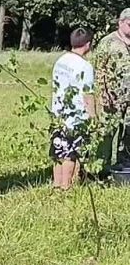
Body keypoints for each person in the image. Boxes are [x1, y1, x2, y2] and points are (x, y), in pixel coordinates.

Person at [51, 28, 97, 190]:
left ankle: (57, 184)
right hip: (76, 116)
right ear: (88, 44)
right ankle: (66, 186)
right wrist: (93, 116)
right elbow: (87, 94)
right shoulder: (85, 66)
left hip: (57, 113)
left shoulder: (60, 61)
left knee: (58, 151)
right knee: (71, 153)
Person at [94, 8, 130, 170]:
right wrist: (103, 93)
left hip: (128, 97)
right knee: (107, 131)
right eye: (129, 24)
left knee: (128, 132)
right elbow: (99, 69)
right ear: (120, 23)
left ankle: (124, 162)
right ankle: (102, 166)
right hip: (112, 97)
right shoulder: (108, 42)